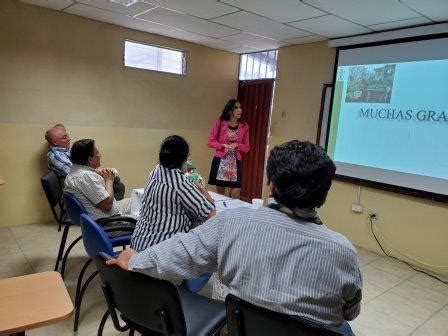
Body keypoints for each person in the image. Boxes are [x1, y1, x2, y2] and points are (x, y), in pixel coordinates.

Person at [107, 140, 362, 333]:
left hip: (244, 327)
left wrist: (135, 259)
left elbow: (181, 252)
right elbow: (350, 311)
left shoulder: (230, 223)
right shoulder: (343, 251)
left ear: (271, 184)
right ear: (324, 193)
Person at [131, 135, 216, 251]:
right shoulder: (181, 183)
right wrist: (200, 186)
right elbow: (211, 213)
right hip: (161, 251)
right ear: (184, 158)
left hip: (140, 243)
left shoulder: (156, 170)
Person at [45, 124, 125, 200]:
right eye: (64, 137)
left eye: (67, 135)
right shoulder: (56, 156)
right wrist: (97, 172)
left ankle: (114, 206)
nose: (69, 139)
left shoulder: (65, 150)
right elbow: (75, 173)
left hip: (83, 182)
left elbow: (81, 165)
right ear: (55, 142)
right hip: (79, 189)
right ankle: (114, 210)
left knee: (115, 181)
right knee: (117, 185)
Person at [64, 139, 130, 220]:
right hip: (110, 220)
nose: (100, 155)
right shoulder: (85, 177)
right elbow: (107, 206)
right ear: (90, 159)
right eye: (97, 153)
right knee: (142, 205)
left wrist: (95, 171)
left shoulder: (75, 171)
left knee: (134, 201)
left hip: (108, 213)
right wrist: (109, 180)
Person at [208, 99, 249, 199]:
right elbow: (211, 142)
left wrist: (236, 145)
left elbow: (247, 148)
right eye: (236, 108)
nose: (239, 110)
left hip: (235, 162)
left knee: (236, 194)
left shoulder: (244, 126)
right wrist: (222, 146)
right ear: (229, 111)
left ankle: (234, 214)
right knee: (221, 196)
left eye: (240, 107)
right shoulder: (220, 123)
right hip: (221, 160)